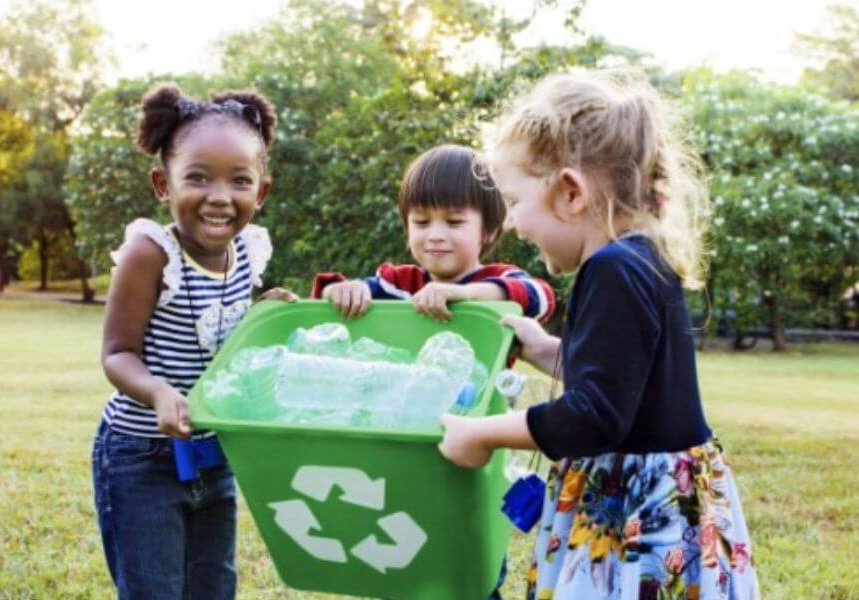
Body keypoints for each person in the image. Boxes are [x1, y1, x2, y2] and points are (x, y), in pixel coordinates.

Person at [439, 72, 760, 599]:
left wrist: (482, 433)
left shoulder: (610, 269)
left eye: (516, 203)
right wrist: (543, 348)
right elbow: (626, 384)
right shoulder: (642, 256)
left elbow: (595, 414)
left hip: (637, 513)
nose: (514, 224)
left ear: (570, 192)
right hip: (668, 496)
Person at [93, 83, 295, 599]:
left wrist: (264, 311)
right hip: (143, 455)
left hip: (213, 452)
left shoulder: (248, 251)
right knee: (155, 589)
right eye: (198, 178)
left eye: (239, 181)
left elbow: (224, 332)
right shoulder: (150, 253)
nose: (219, 197)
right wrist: (159, 392)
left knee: (213, 585)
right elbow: (117, 353)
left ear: (262, 191)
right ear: (164, 183)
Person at [312, 144, 555, 326]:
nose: (435, 235)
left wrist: (466, 294)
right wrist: (341, 292)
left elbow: (541, 298)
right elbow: (331, 295)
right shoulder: (399, 285)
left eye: (454, 221)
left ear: (488, 231)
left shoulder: (499, 279)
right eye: (421, 222)